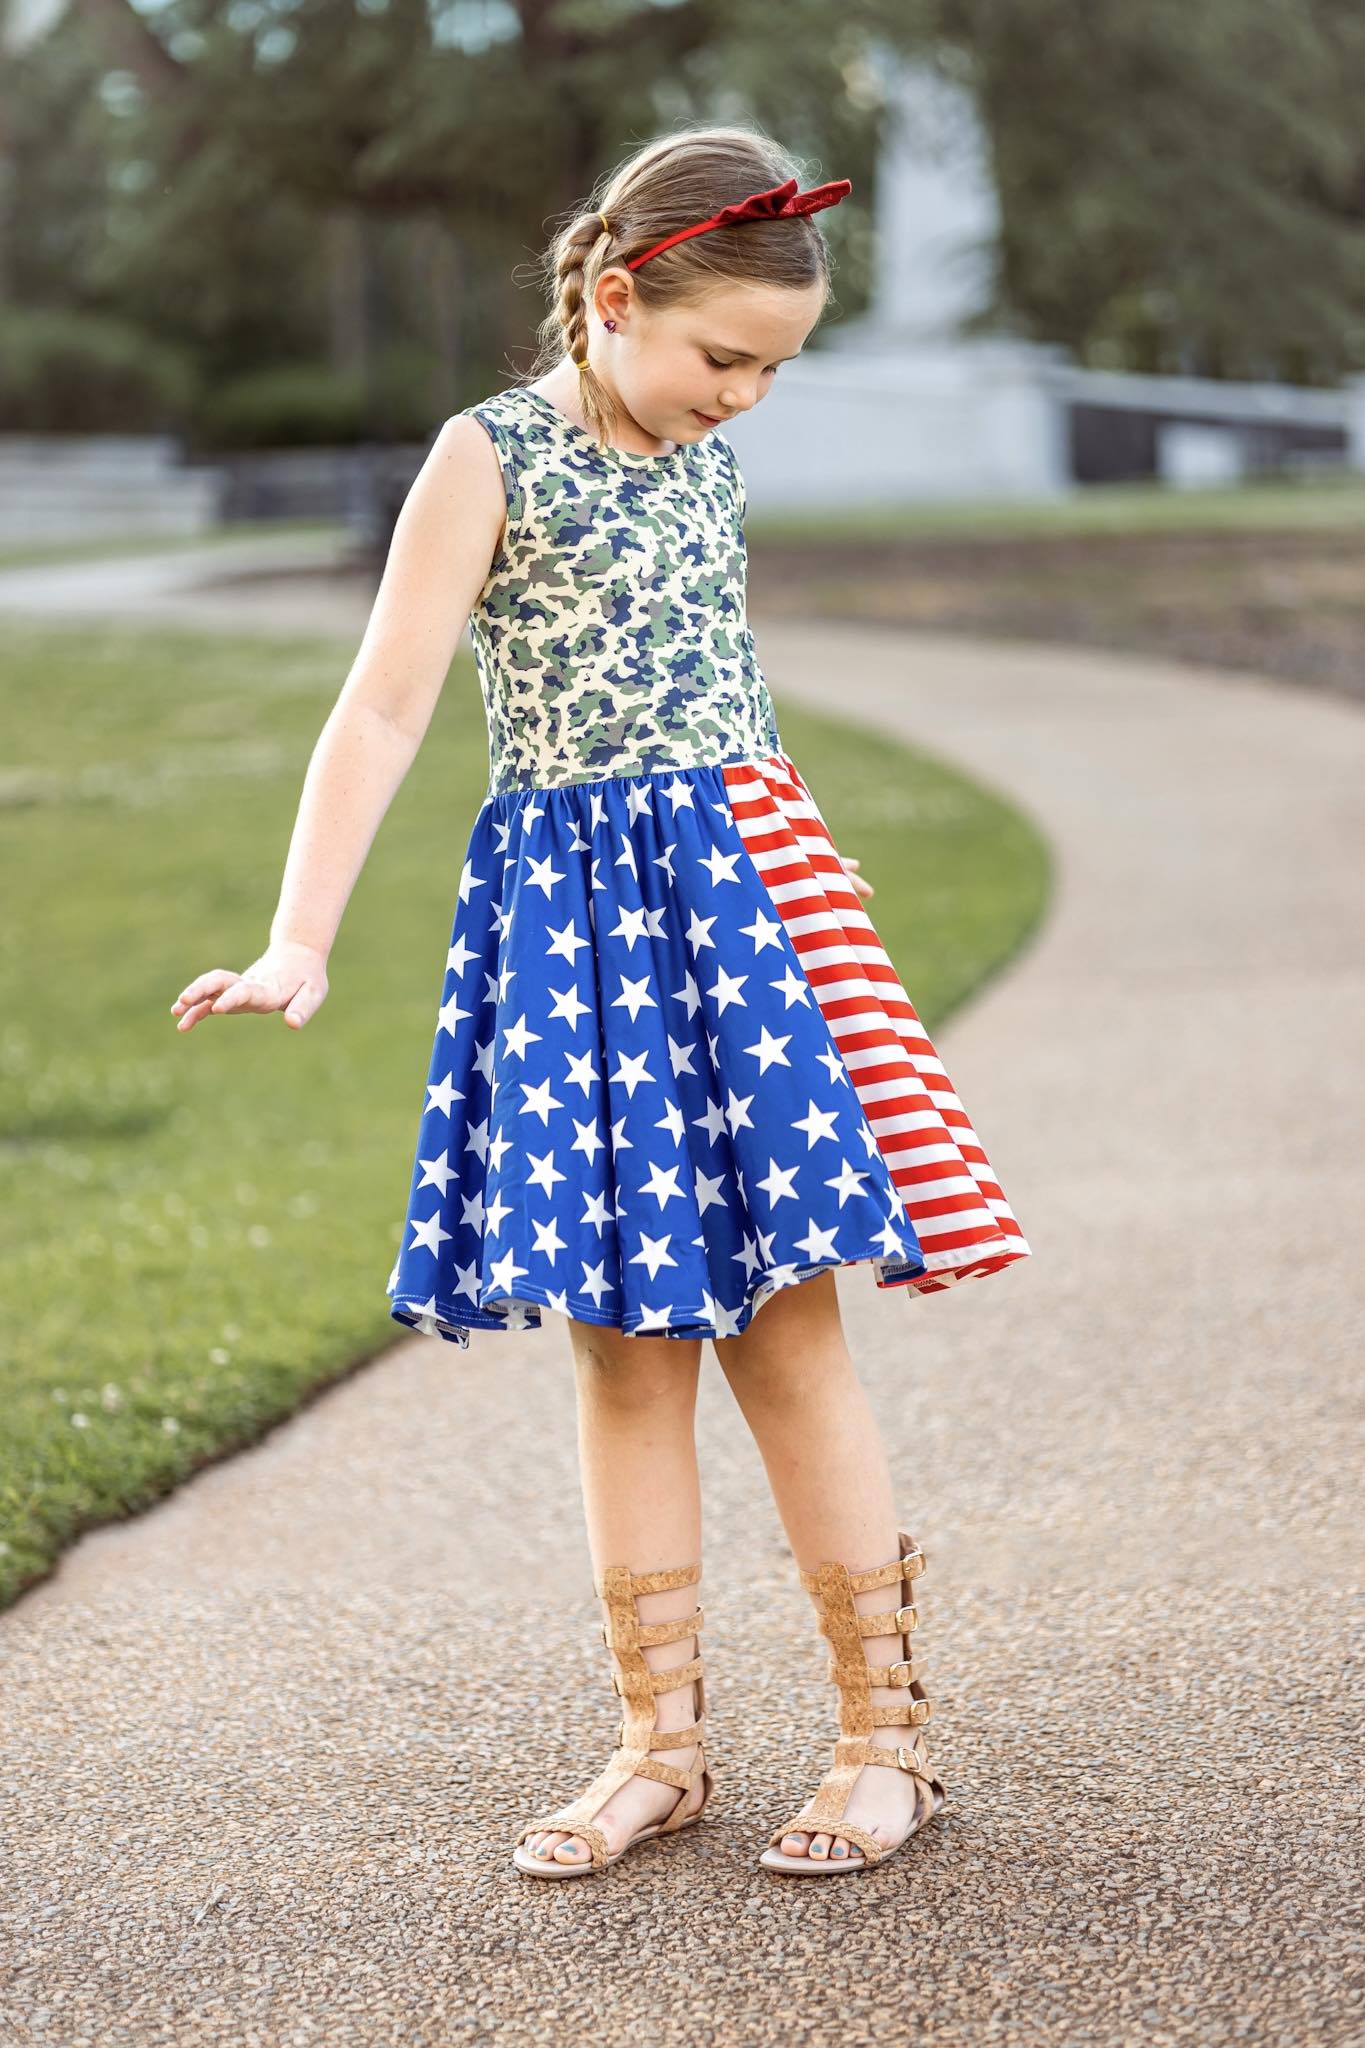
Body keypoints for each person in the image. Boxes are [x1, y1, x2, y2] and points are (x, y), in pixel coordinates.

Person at [170, 125, 1032, 1881]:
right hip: (575, 935)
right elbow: (384, 708)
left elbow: (728, 692)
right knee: (624, 1346)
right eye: (726, 359)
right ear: (614, 295)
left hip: (741, 917)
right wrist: (298, 936)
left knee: (786, 1328)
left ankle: (884, 1743)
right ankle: (660, 1745)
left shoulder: (705, 467)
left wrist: (808, 860)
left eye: (775, 372)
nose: (745, 399)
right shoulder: (486, 461)